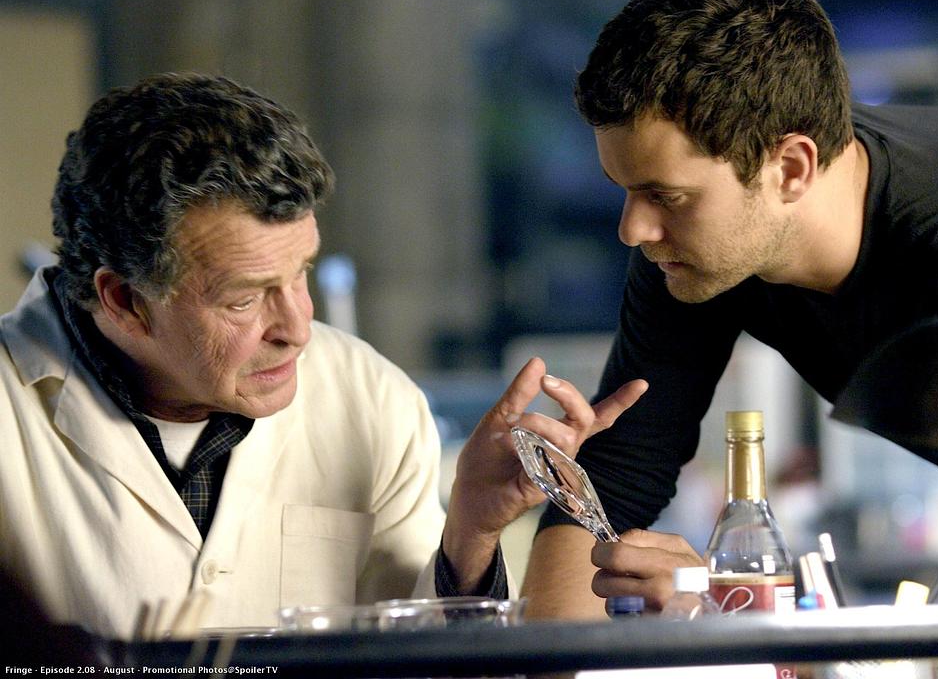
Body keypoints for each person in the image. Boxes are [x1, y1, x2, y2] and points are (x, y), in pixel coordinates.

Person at [519, 0, 938, 617]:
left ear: (791, 168)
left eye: (664, 196)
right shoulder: (708, 229)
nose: (634, 229)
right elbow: (613, 483)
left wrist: (727, 613)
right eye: (627, 190)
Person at [0, 72, 646, 639]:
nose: (298, 328)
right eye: (244, 299)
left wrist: (471, 531)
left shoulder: (369, 397)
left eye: (301, 273)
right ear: (123, 301)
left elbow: (421, 663)